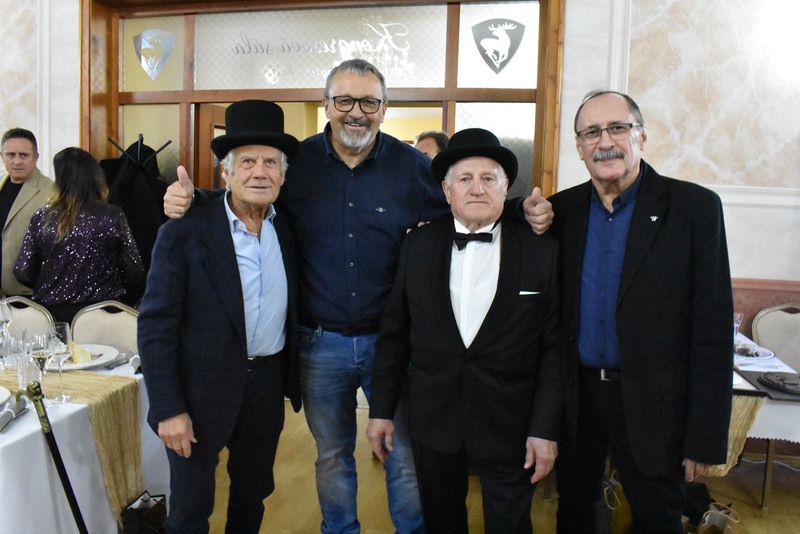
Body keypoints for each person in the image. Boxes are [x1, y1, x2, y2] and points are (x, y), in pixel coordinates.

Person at [164, 59, 554, 534]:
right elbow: (249, 194)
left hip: (392, 344)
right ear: (327, 105)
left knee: (403, 457)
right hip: (318, 342)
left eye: (369, 102)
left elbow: (469, 202)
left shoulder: (416, 169)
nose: (356, 112)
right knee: (331, 455)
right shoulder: (296, 164)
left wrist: (518, 208)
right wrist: (195, 199)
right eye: (345, 100)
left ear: (384, 109)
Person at [540, 90, 733, 533]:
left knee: (657, 518)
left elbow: (712, 330)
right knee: (575, 513)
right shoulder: (561, 211)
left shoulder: (695, 209)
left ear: (641, 136)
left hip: (655, 406)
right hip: (578, 401)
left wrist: (704, 436)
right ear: (579, 147)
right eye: (592, 132)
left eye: (617, 128)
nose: (605, 141)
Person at [366, 128, 561, 534]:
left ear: (506, 188)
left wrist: (544, 429)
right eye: (465, 179)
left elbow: (554, 348)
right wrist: (381, 410)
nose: (476, 188)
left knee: (510, 525)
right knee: (441, 521)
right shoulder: (417, 244)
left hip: (511, 421)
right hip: (435, 419)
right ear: (446, 189)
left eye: (488, 178)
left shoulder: (541, 248)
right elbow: (394, 336)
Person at [137, 100, 303, 533]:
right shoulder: (184, 232)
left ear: (284, 175)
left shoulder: (286, 228)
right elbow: (155, 328)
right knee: (191, 510)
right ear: (225, 173)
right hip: (198, 391)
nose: (260, 172)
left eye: (271, 162)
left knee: (252, 496)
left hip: (265, 388)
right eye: (246, 162)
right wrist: (168, 409)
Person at [13, 147, 143, 323]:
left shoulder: (42, 217)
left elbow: (22, 271)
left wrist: (49, 281)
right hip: (102, 313)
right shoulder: (112, 215)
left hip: (51, 314)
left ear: (59, 181)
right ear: (95, 176)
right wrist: (110, 281)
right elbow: (134, 269)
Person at [0, 128, 55, 297]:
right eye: (11, 155)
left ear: (35, 157)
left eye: (23, 155)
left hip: (26, 291)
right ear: (2, 156)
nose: (17, 161)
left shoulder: (51, 191)